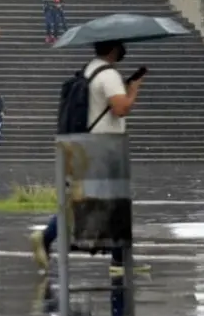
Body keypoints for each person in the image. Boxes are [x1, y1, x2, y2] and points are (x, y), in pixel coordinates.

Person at [33, 40, 144, 273]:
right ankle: (46, 236)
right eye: (121, 46)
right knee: (106, 203)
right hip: (103, 148)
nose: (124, 49)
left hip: (88, 145)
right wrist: (133, 91)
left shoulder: (90, 69)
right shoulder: (109, 75)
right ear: (114, 49)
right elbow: (120, 108)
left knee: (107, 204)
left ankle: (119, 260)